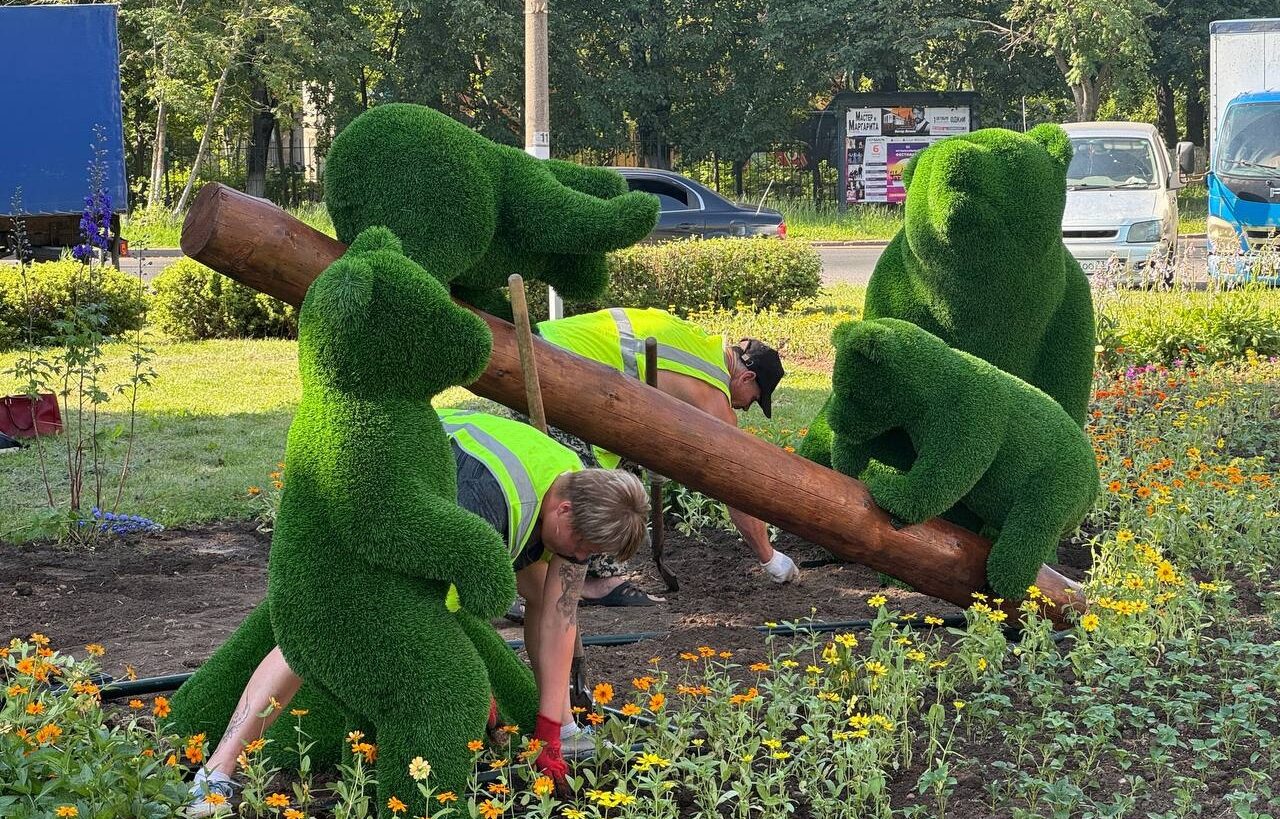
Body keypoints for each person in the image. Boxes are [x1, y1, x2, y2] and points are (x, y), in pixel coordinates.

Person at [186, 409, 648, 817]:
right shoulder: (482, 506)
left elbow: (561, 616)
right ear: (563, 510)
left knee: (551, 592)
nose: (582, 558)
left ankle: (564, 726)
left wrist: (550, 731)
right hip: (371, 495)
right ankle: (217, 771)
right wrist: (478, 686)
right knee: (320, 626)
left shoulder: (579, 485)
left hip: (462, 498)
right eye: (583, 546)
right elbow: (435, 614)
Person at [534, 307, 798, 606]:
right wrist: (768, 557)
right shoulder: (713, 394)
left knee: (625, 479)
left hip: (552, 346)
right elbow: (733, 485)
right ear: (747, 377)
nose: (745, 408)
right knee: (585, 488)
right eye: (754, 400)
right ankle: (549, 579)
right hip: (559, 367)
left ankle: (600, 575)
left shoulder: (700, 345)